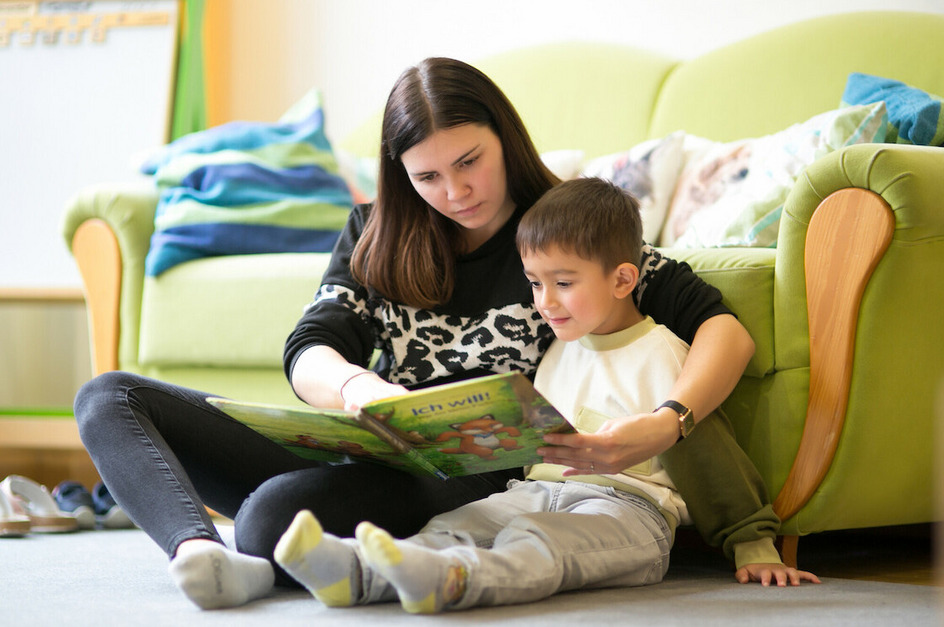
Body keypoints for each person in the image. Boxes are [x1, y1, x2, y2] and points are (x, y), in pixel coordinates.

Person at [73, 57, 755, 611]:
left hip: (468, 480)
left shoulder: (562, 234)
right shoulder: (373, 232)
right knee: (109, 398)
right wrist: (355, 384)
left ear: (504, 140)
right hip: (367, 443)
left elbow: (720, 326)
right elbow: (310, 345)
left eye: (469, 162)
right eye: (427, 175)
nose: (455, 191)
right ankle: (196, 551)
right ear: (400, 173)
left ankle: (254, 550)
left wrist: (669, 422)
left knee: (268, 519)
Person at [272, 177, 819, 613]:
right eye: (534, 283)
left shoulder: (663, 353)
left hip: (628, 511)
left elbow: (708, 450)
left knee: (540, 542)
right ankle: (357, 571)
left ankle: (455, 582)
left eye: (563, 283)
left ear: (625, 280)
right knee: (457, 525)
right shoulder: (559, 350)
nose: (544, 302)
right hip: (530, 491)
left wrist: (752, 543)